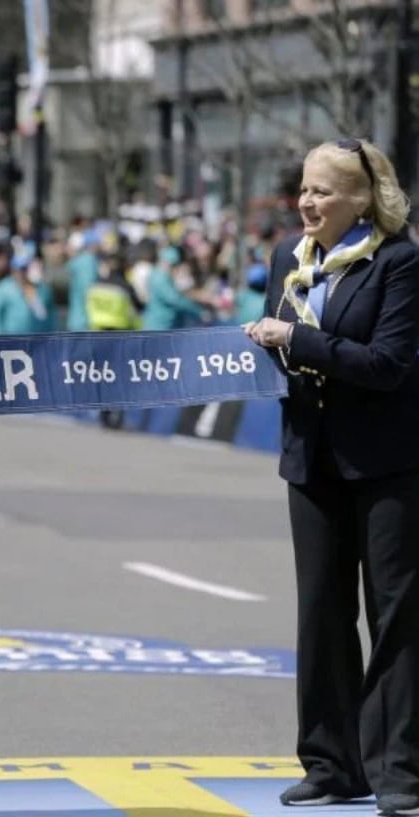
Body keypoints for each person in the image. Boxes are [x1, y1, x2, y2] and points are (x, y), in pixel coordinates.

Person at [243, 138, 419, 815]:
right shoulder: (288, 258)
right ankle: (330, 762)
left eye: (323, 191)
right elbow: (276, 350)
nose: (307, 202)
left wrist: (296, 341)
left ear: (363, 199)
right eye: (305, 189)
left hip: (387, 462)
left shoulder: (400, 262)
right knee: (321, 611)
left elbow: (386, 363)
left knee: (394, 615)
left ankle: (399, 767)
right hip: (310, 456)